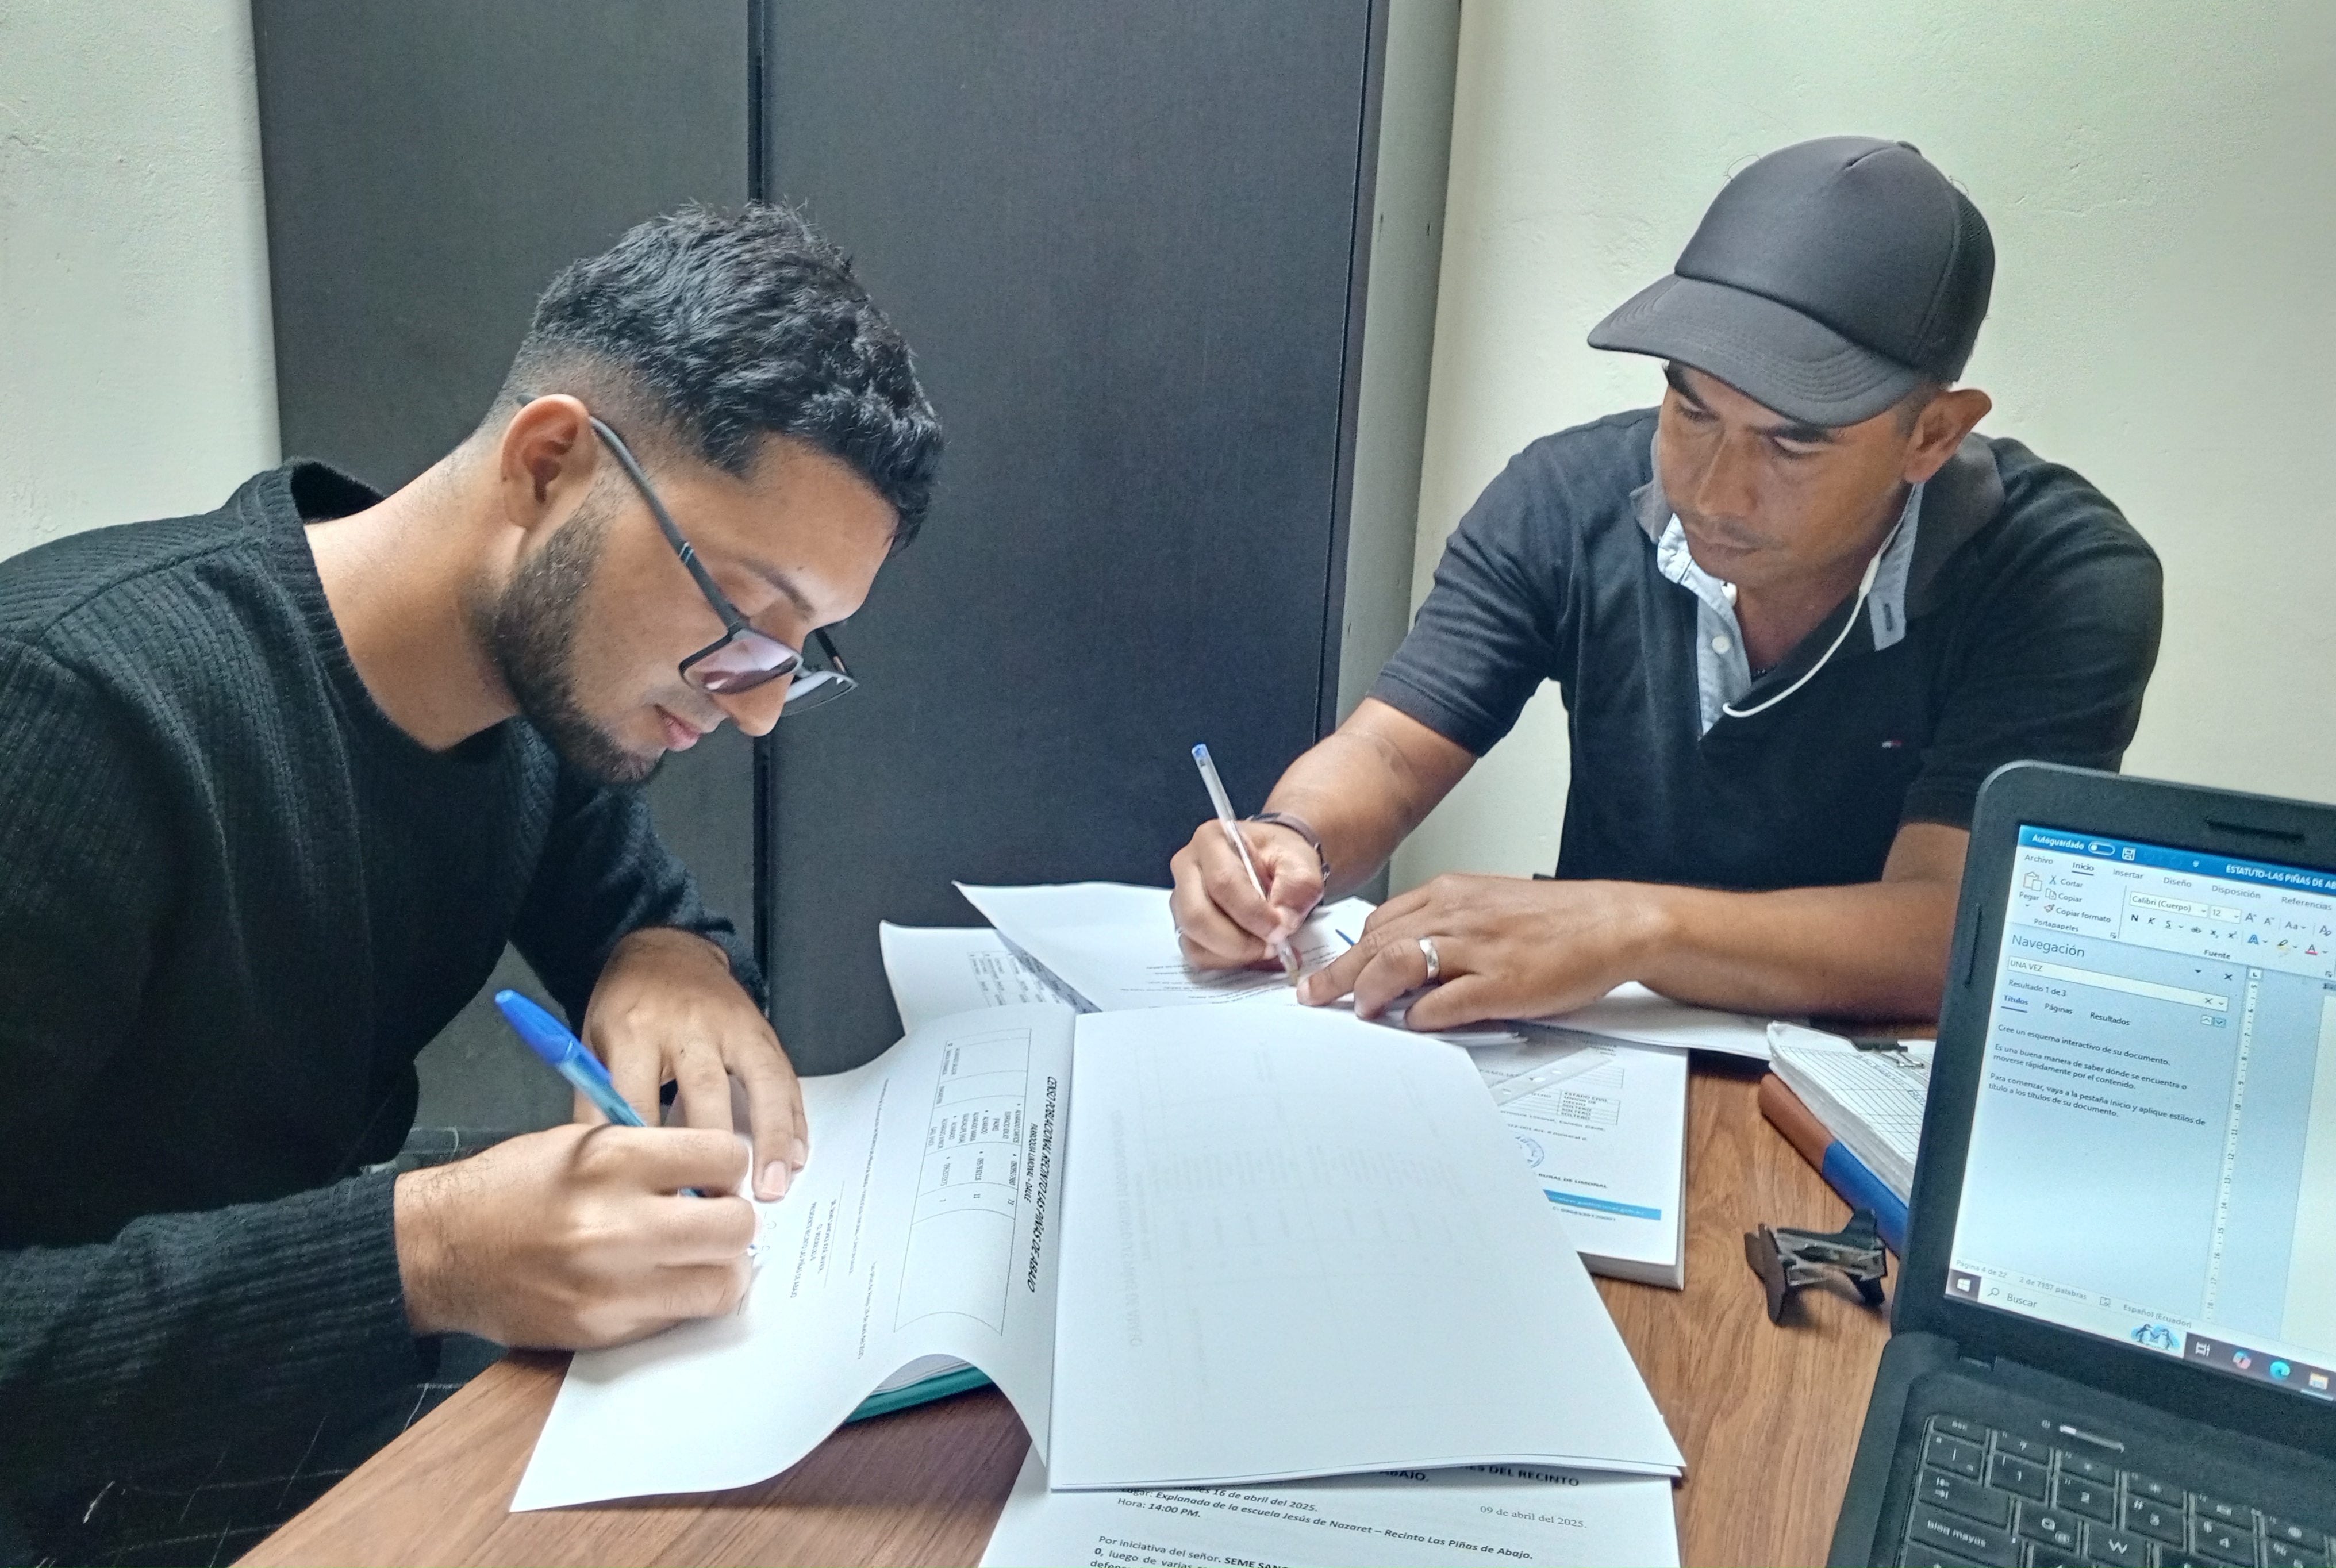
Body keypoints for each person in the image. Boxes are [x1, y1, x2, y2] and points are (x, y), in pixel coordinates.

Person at [0, 202, 940, 1563]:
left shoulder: (528, 704)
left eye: (800, 655)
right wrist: (425, 1253)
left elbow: (644, 915)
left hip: (293, 1413)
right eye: (742, 617)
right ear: (550, 463)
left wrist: (671, 960)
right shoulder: (71, 711)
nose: (753, 710)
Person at [1170, 136, 2161, 1029]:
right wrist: (1287, 841)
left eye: (1792, 445)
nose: (1715, 491)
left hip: (1865, 1086)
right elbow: (1390, 752)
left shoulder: (2058, 577)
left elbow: (1953, 931)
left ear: (1932, 435)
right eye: (1691, 413)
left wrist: (1632, 927)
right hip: (1590, 1056)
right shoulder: (1566, 497)